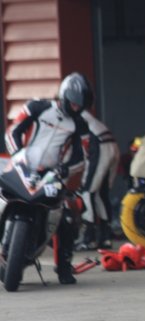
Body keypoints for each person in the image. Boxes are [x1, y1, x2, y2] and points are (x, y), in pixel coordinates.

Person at [4, 72, 97, 284]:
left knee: (66, 216)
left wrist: (66, 169)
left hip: (51, 174)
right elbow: (13, 131)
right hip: (22, 164)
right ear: (64, 96)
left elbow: (81, 156)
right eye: (73, 104)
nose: (76, 108)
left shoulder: (80, 125)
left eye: (80, 106)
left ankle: (64, 267)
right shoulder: (37, 107)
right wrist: (17, 153)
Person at [75, 111, 120, 251]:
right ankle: (105, 238)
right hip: (110, 145)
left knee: (87, 192)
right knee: (101, 194)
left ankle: (90, 239)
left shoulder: (71, 116)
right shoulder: (85, 115)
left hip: (99, 146)